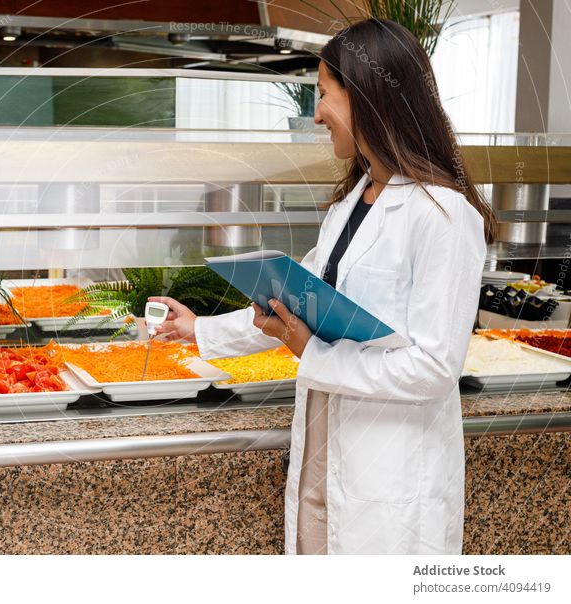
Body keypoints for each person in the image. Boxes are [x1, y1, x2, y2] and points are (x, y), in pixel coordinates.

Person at [149, 18, 496, 555]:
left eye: (324, 95)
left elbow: (433, 367)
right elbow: (297, 304)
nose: (316, 114)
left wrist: (312, 353)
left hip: (389, 483)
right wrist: (200, 330)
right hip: (322, 453)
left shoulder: (444, 215)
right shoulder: (352, 201)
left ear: (367, 98)